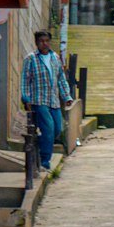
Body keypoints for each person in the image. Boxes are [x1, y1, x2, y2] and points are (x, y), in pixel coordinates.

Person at [21, 29, 72, 169]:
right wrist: (26, 99)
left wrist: (66, 96)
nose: (44, 43)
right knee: (48, 128)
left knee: (57, 128)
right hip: (39, 100)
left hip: (53, 100)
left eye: (46, 41)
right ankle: (45, 160)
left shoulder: (55, 58)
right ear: (37, 43)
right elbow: (25, 80)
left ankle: (39, 144)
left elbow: (61, 78)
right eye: (41, 41)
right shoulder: (30, 59)